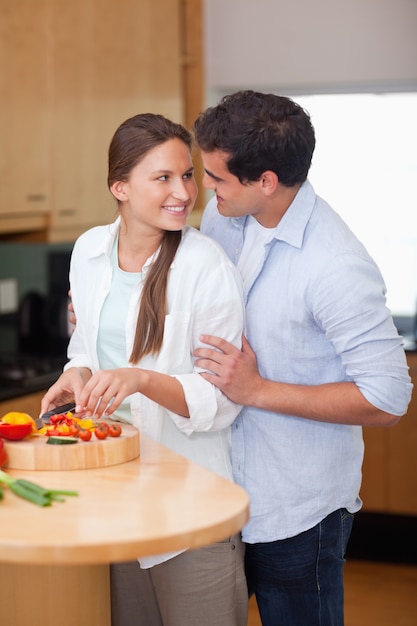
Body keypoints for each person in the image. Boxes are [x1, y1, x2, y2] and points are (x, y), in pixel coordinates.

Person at [191, 90, 413, 626]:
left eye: (217, 177)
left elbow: (388, 398)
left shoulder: (335, 265)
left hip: (299, 508)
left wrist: (258, 390)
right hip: (222, 485)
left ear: (265, 181)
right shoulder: (224, 217)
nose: (205, 187)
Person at [40, 113, 248, 626]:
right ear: (120, 188)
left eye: (187, 175)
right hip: (115, 495)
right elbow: (88, 343)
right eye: (163, 178)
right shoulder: (89, 250)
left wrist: (139, 380)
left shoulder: (206, 267)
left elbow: (222, 399)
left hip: (191, 502)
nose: (183, 192)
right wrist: (77, 372)